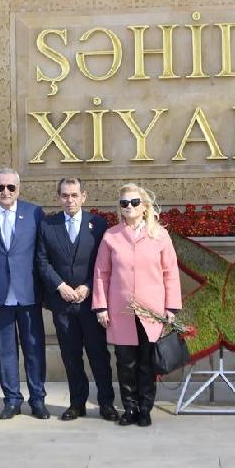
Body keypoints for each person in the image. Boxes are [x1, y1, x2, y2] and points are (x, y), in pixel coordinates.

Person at [92, 182, 181, 427]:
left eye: (134, 202)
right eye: (124, 203)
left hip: (151, 310)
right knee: (125, 362)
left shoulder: (159, 235)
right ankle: (129, 407)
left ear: (144, 206)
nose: (129, 206)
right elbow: (101, 274)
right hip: (120, 309)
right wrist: (101, 307)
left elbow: (170, 273)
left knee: (146, 361)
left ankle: (145, 408)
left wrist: (171, 307)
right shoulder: (111, 236)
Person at [35, 176, 117, 421]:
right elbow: (41, 261)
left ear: (83, 197)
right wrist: (60, 286)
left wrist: (88, 286)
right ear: (58, 197)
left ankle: (106, 404)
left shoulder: (98, 224)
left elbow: (105, 263)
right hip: (62, 304)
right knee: (70, 356)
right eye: (64, 195)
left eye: (74, 195)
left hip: (91, 303)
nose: (69, 200)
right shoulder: (47, 225)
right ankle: (77, 404)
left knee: (98, 355)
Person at [0, 167, 49, 419]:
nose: (5, 192)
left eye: (10, 187)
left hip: (28, 292)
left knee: (34, 348)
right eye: (0, 187)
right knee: (5, 350)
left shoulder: (34, 212)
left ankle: (37, 399)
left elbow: (41, 253)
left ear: (18, 188)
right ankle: (12, 400)